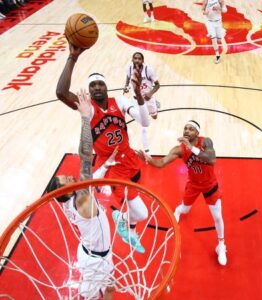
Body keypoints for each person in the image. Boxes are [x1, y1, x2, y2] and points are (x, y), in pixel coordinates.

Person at [56, 43, 150, 254]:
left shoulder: (121, 102)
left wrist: (139, 96)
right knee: (138, 211)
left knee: (137, 212)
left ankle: (128, 224)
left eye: (100, 84)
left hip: (130, 160)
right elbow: (61, 92)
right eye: (93, 85)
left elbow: (145, 122)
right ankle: (120, 216)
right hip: (111, 165)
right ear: (89, 91)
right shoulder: (87, 108)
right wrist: (72, 58)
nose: (97, 87)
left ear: (106, 87)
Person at [46, 90, 115, 299]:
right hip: (93, 261)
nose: (71, 177)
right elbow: (85, 156)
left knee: (111, 288)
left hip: (98, 252)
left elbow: (91, 177)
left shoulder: (71, 199)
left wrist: (106, 165)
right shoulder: (82, 199)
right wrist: (85, 118)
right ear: (65, 192)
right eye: (67, 180)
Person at [138, 120, 227, 266]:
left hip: (210, 184)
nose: (187, 131)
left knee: (217, 217)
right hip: (193, 185)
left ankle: (221, 246)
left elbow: (211, 159)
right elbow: (161, 163)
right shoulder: (179, 149)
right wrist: (149, 160)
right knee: (185, 209)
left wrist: (191, 147)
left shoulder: (205, 141)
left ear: (197, 133)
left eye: (191, 129)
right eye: (185, 128)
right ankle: (178, 211)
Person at [123, 52, 160, 155]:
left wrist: (150, 93)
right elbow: (127, 77)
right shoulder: (129, 69)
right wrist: (126, 86)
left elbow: (157, 85)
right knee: (143, 126)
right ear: (132, 60)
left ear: (142, 61)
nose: (137, 60)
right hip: (136, 101)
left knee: (155, 117)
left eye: (139, 59)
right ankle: (147, 150)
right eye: (135, 58)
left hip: (148, 99)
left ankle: (155, 105)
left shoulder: (148, 70)